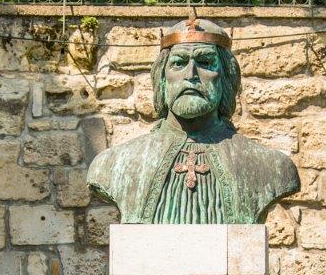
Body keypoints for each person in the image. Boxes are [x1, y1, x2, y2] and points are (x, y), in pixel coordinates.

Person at [87, 17, 300, 224]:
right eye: (179, 63)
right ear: (162, 78)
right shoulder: (112, 165)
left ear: (226, 77)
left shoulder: (269, 167)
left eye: (205, 62)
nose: (191, 74)